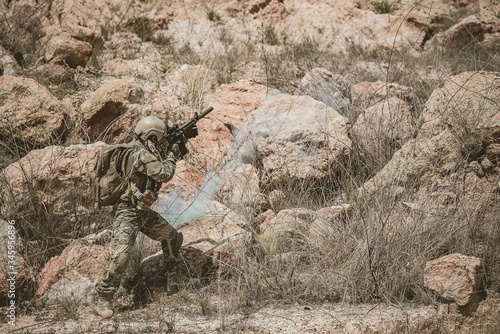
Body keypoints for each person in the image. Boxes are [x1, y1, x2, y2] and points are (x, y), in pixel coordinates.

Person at [94, 115, 196, 318]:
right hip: (127, 213)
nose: (160, 142)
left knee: (172, 237)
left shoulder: (144, 148)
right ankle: (103, 298)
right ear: (151, 137)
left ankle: (172, 278)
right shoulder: (139, 153)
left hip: (142, 211)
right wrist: (172, 153)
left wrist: (180, 139)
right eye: (158, 138)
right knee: (121, 256)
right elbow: (165, 173)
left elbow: (159, 154)